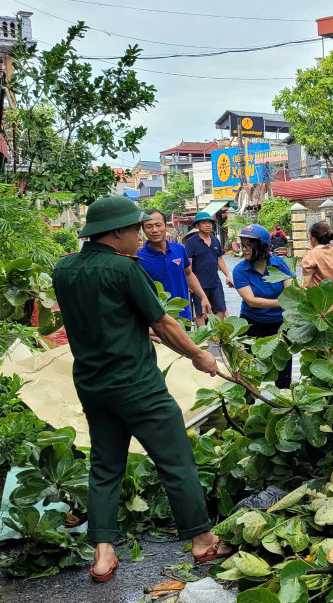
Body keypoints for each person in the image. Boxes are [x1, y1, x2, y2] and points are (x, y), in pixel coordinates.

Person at [52, 196, 231, 583]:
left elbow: (101, 316)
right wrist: (199, 355)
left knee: (105, 466)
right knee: (176, 461)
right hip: (138, 385)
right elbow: (164, 323)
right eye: (135, 228)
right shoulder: (124, 269)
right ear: (115, 232)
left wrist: (135, 328)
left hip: (93, 385)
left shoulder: (64, 269)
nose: (140, 235)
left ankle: (103, 553)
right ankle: (203, 540)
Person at [233, 224, 295, 389]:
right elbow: (251, 300)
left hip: (280, 325)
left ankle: (283, 401)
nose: (244, 249)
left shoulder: (280, 263)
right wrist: (282, 303)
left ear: (262, 246)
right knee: (248, 373)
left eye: (248, 245)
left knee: (283, 372)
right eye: (242, 245)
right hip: (252, 324)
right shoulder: (240, 270)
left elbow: (290, 291)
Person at [138, 210, 209, 325]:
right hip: (159, 321)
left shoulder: (179, 249)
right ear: (143, 230)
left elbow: (188, 273)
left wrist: (203, 296)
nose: (154, 230)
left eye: (158, 225)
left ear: (166, 226)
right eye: (149, 226)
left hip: (183, 316)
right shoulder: (139, 258)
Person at [184, 211, 233, 327]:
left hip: (215, 282)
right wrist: (189, 283)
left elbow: (219, 259)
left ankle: (217, 335)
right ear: (197, 225)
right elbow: (188, 264)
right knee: (201, 312)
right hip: (198, 284)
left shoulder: (215, 240)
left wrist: (227, 275)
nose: (208, 225)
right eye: (204, 223)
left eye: (210, 223)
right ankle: (203, 336)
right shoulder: (191, 242)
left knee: (220, 309)